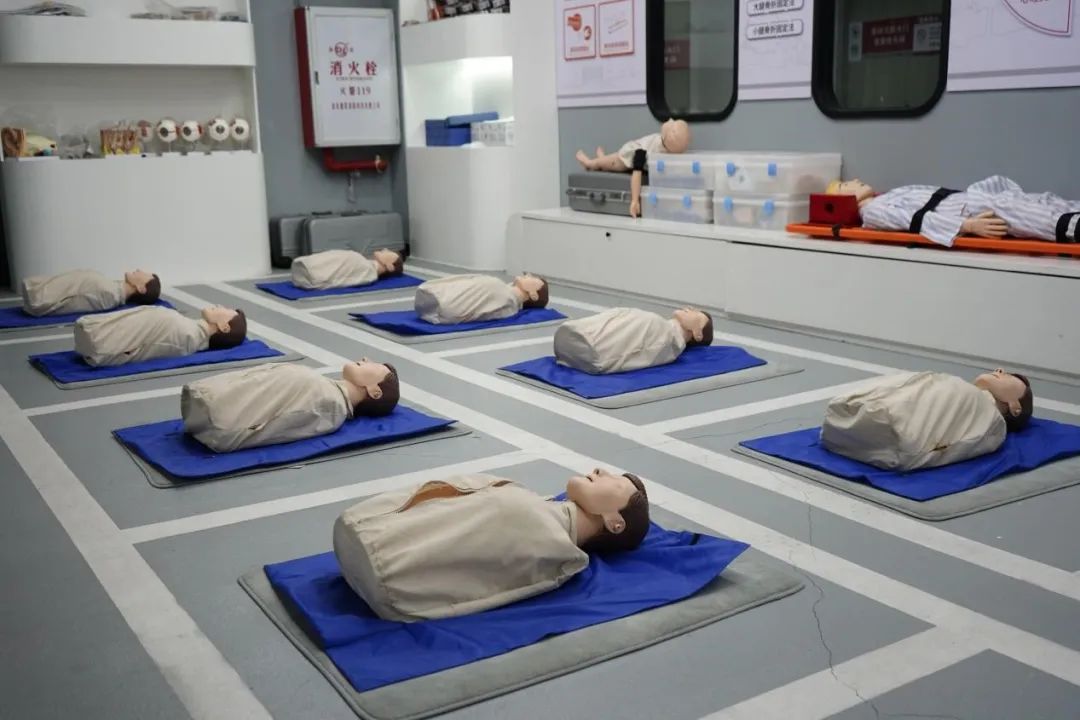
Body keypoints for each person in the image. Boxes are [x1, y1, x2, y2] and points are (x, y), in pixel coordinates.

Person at [332, 468, 650, 622]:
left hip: (383, 565)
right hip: (372, 543)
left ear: (615, 523)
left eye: (616, 484)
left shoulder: (555, 548)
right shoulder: (539, 511)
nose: (600, 471)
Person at [820, 369, 1034, 472]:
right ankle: (865, 414)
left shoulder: (992, 425)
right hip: (874, 415)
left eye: (1008, 377)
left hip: (889, 432)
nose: (999, 371)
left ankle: (867, 422)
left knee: (893, 411)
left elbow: (954, 443)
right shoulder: (958, 385)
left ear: (1015, 408)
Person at [181, 359, 400, 453]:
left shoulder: (330, 405)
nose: (365, 358)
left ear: (375, 392)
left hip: (214, 417)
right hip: (207, 401)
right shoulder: (325, 391)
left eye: (375, 365)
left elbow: (271, 426)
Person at [826, 176, 1080, 247]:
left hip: (967, 200)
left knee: (1039, 201)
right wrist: (967, 226)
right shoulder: (872, 211)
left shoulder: (887, 196)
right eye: (846, 184)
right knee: (1017, 211)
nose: (855, 180)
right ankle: (1073, 227)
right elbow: (916, 221)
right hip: (966, 211)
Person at [575, 119, 692, 218]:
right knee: (606, 162)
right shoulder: (665, 151)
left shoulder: (644, 153)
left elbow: (637, 173)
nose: (670, 120)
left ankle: (590, 163)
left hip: (624, 159)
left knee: (608, 163)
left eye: (672, 123)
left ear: (666, 134)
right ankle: (598, 160)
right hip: (628, 154)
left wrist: (634, 200)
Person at [554, 306, 713, 374]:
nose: (690, 309)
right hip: (569, 337)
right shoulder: (660, 326)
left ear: (697, 333)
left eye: (697, 314)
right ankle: (583, 335)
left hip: (585, 350)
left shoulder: (668, 340)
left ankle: (586, 340)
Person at [74, 305, 246, 367]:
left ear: (224, 327)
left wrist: (97, 340)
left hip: (96, 341)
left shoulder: (185, 334)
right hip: (92, 334)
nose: (219, 305)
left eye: (226, 309)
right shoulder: (185, 328)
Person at [414, 273, 549, 325]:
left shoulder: (507, 302)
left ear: (534, 295)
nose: (528, 274)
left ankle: (440, 297)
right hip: (434, 303)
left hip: (441, 308)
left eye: (533, 278)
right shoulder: (503, 291)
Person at [21, 269, 161, 317]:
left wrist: (37, 295)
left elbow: (68, 300)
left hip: (37, 297)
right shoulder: (108, 288)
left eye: (144, 274)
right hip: (37, 294)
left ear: (141, 288)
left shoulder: (107, 291)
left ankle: (37, 290)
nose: (139, 270)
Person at [290, 248, 404, 290]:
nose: (385, 249)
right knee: (333, 256)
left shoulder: (369, 272)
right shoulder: (365, 264)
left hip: (358, 263)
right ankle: (310, 266)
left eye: (388, 252)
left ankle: (313, 271)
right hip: (357, 261)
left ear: (390, 266)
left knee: (341, 260)